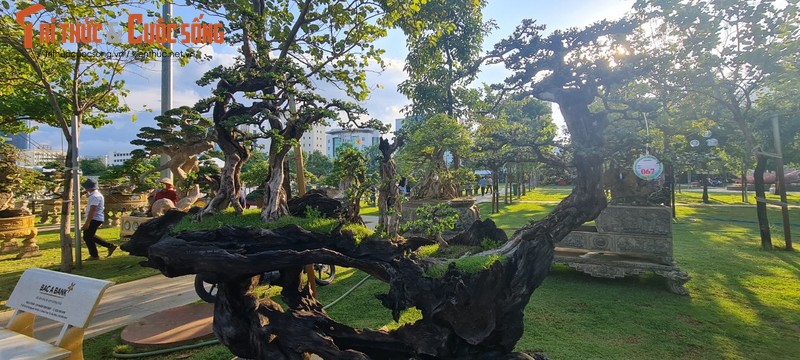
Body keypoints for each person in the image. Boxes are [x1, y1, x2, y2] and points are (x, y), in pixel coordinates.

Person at [81, 179, 117, 261]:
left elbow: (93, 210)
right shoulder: (94, 195)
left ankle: (94, 255)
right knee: (89, 236)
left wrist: (87, 223)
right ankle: (109, 246)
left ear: (89, 187)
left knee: (87, 236)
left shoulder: (95, 196)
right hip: (95, 218)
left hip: (95, 218)